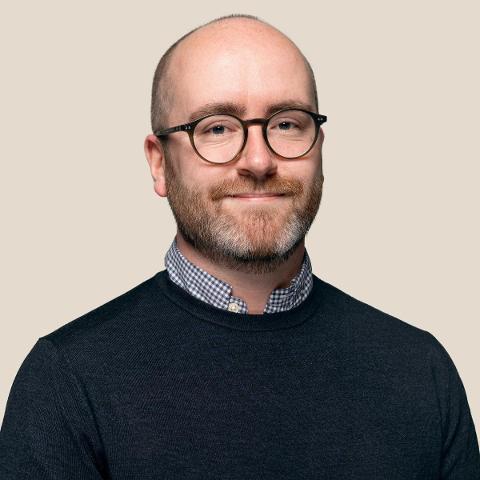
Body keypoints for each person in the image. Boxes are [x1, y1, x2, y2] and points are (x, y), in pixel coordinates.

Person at [1, 13, 479, 479]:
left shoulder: (420, 370)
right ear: (159, 163)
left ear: (319, 147)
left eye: (287, 124)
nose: (258, 160)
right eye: (216, 127)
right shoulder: (66, 382)